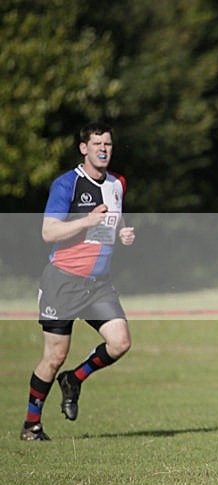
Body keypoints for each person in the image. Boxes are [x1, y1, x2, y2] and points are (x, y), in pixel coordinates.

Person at [20, 122, 136, 441]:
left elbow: (114, 220)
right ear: (84, 148)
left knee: (120, 342)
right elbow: (48, 232)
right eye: (97, 144)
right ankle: (31, 425)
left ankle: (74, 379)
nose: (103, 149)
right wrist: (87, 220)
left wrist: (123, 233)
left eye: (108, 144)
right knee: (54, 357)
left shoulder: (118, 183)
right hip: (63, 282)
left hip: (98, 285)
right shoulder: (66, 184)